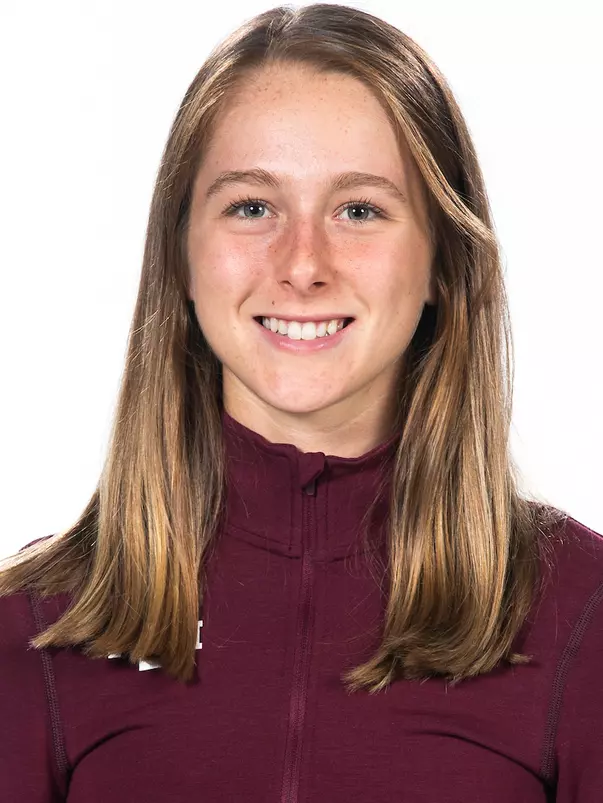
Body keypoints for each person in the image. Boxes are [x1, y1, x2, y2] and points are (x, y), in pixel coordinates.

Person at [1, 4, 601, 801]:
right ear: (180, 255)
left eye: (360, 209)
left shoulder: (583, 618)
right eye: (251, 206)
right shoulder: (34, 627)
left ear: (442, 265)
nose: (302, 263)